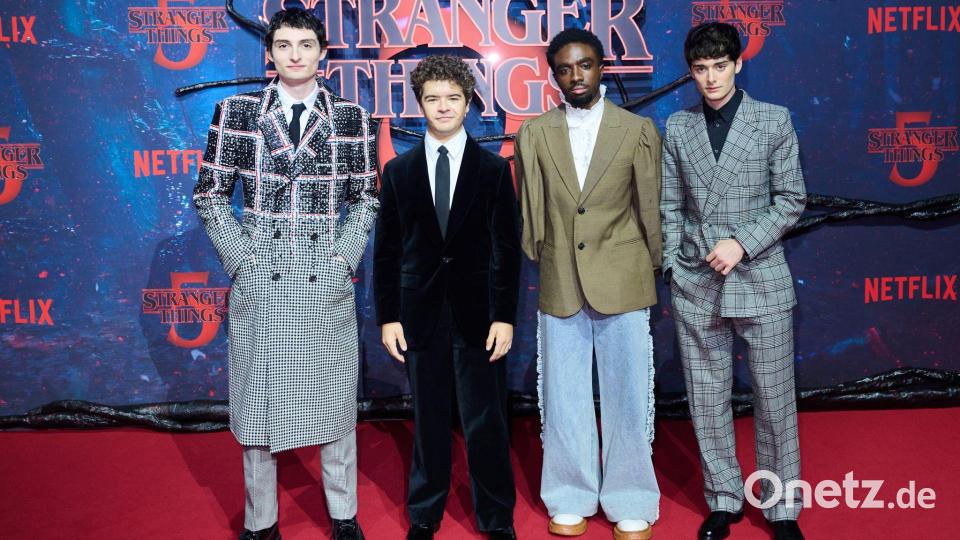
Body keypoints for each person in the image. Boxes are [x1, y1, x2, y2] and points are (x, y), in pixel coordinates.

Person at [192, 8, 377, 540]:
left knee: (335, 398)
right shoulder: (236, 113)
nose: (295, 54)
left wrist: (342, 260)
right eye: (284, 44)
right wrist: (242, 261)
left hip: (324, 276)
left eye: (306, 44)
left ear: (323, 53)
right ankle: (261, 521)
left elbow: (365, 201)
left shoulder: (352, 118)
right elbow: (210, 195)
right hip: (262, 275)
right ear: (269, 53)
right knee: (257, 404)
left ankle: (344, 515)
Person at [660, 21, 807, 540]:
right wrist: (675, 266)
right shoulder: (677, 128)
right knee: (706, 396)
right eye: (700, 70)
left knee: (774, 398)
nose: (711, 78)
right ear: (691, 73)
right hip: (697, 282)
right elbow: (669, 204)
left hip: (760, 275)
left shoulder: (773, 120)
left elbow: (791, 200)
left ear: (738, 64)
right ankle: (723, 498)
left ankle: (782, 506)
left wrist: (741, 242)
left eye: (720, 66)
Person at [514, 28, 662, 540]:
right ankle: (570, 495)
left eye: (585, 65)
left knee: (627, 394)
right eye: (564, 68)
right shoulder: (533, 133)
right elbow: (531, 214)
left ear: (603, 67)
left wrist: (652, 267)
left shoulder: (636, 129)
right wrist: (545, 258)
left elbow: (650, 210)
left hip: (624, 278)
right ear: (553, 74)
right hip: (560, 279)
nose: (575, 76)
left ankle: (631, 497)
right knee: (565, 395)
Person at [373, 54, 521, 540]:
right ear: (419, 104)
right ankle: (424, 514)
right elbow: (388, 250)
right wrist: (388, 316)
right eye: (432, 99)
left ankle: (497, 518)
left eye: (452, 99)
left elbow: (506, 250)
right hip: (421, 314)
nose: (442, 108)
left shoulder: (495, 170)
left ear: (468, 103)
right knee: (429, 419)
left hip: (480, 315)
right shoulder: (398, 173)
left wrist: (504, 316)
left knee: (487, 421)